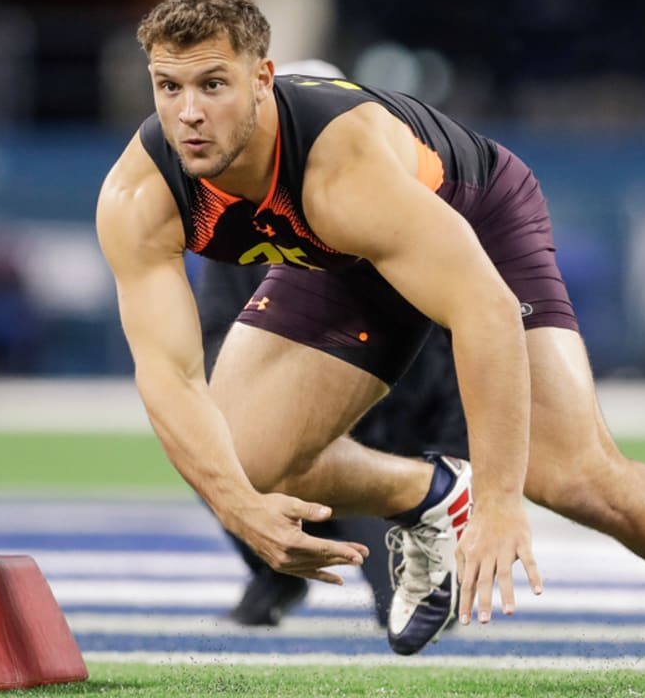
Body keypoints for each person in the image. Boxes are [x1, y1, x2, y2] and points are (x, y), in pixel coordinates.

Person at [96, 0, 645, 692]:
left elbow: (484, 310)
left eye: (212, 85)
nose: (188, 113)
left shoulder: (339, 168)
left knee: (575, 475)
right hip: (336, 249)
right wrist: (235, 504)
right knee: (246, 456)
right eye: (169, 87)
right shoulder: (141, 193)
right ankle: (427, 494)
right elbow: (167, 377)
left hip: (470, 215)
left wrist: (501, 503)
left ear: (263, 80)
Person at [199, 257, 467, 627]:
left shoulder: (395, 216)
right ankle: (273, 569)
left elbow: (467, 348)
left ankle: (435, 497)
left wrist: (458, 465)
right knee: (200, 434)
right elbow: (209, 341)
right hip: (287, 438)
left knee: (418, 610)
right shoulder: (233, 220)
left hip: (391, 452)